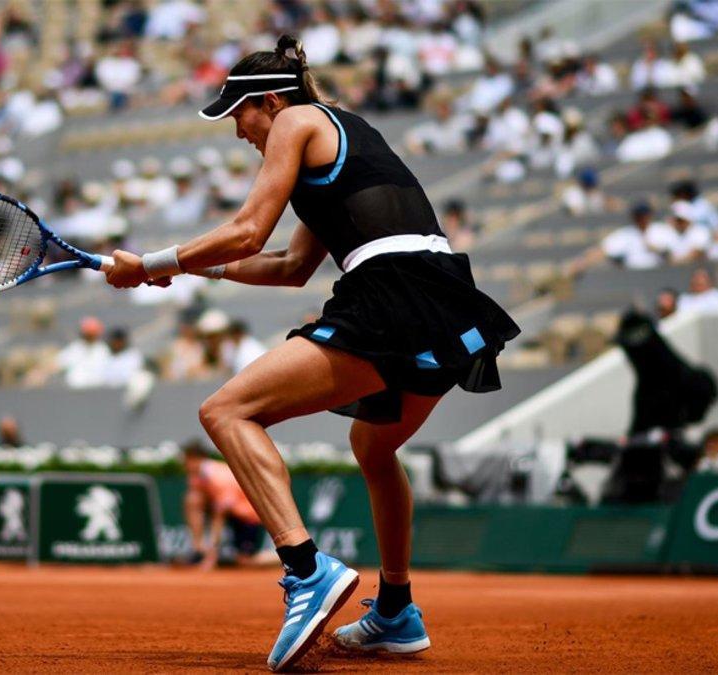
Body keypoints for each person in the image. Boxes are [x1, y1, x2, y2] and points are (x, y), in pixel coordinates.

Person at [103, 35, 519, 669]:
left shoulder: (296, 120)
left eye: (238, 117)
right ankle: (396, 611)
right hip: (448, 300)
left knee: (226, 412)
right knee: (374, 448)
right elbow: (292, 266)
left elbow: (247, 230)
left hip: (392, 295)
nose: (239, 134)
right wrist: (190, 272)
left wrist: (154, 262)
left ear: (268, 101)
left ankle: (306, 571)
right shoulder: (343, 135)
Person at [182, 440, 276, 570]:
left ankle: (284, 558)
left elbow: (220, 515)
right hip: (231, 513)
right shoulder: (197, 476)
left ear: (195, 459)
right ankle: (197, 548)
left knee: (245, 562)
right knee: (193, 499)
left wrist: (211, 556)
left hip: (248, 516)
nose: (184, 466)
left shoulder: (219, 477)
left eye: (186, 461)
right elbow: (198, 503)